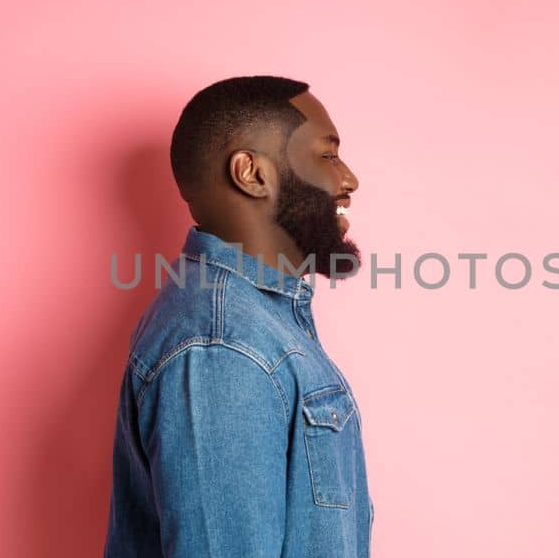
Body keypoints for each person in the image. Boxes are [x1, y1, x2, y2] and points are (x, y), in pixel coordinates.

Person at [104, 76, 373, 557]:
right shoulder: (222, 345)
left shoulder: (256, 323)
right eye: (328, 156)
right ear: (251, 173)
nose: (348, 179)